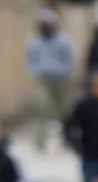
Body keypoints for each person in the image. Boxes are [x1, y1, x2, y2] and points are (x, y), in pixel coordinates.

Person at [27, 9, 77, 151]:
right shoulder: (35, 42)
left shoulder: (63, 41)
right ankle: (40, 141)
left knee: (64, 111)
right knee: (43, 108)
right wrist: (35, 72)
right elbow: (31, 60)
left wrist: (68, 74)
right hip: (43, 79)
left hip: (62, 79)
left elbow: (70, 59)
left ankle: (67, 139)